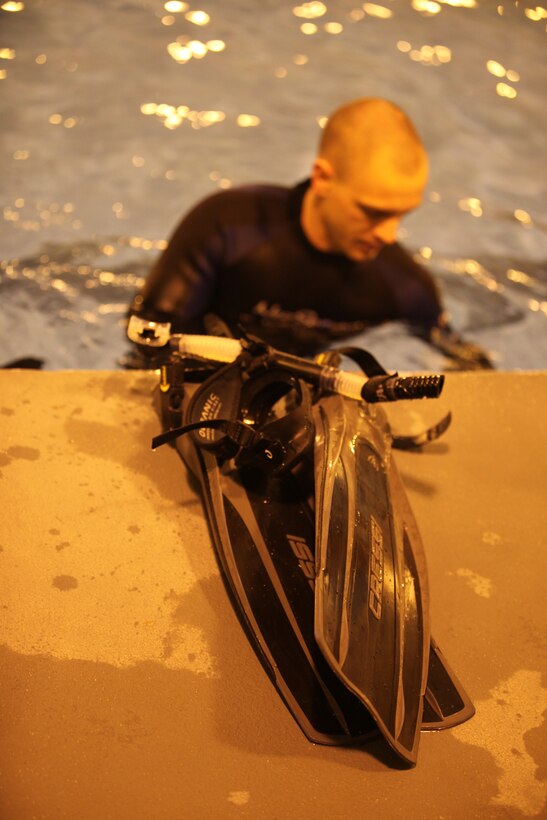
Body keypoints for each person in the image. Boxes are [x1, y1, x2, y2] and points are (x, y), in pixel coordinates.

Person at [128, 98, 492, 368]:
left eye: (401, 214)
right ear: (322, 179)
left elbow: (467, 362)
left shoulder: (405, 287)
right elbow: (148, 342)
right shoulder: (227, 227)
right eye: (372, 212)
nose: (388, 234)